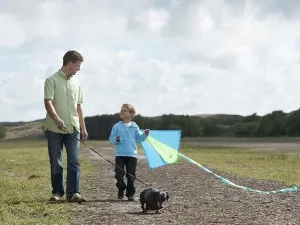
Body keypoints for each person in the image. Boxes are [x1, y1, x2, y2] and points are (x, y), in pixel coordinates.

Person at [43, 50, 88, 203]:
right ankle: (57, 193)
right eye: (78, 65)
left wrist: (83, 127)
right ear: (69, 63)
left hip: (73, 128)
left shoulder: (76, 82)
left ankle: (73, 193)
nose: (79, 69)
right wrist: (56, 118)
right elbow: (48, 102)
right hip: (54, 128)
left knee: (74, 161)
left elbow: (79, 107)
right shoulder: (51, 80)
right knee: (56, 162)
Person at [109, 103, 150, 201]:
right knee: (119, 173)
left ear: (131, 114)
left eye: (124, 110)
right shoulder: (117, 126)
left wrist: (145, 134)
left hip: (132, 155)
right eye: (121, 110)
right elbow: (111, 138)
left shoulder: (135, 126)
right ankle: (121, 187)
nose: (122, 112)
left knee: (131, 175)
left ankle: (130, 194)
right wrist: (117, 139)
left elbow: (139, 138)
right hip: (120, 155)